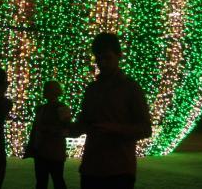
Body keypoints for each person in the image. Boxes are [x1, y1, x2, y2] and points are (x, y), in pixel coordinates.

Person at [72, 32, 152, 189]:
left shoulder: (131, 88)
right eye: (99, 59)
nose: (102, 63)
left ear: (119, 56)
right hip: (91, 167)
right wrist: (65, 126)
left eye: (107, 58)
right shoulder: (92, 89)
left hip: (119, 170)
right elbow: (83, 123)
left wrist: (114, 129)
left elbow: (145, 129)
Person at [26, 81, 71, 189]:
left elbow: (67, 128)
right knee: (47, 180)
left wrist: (49, 130)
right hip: (44, 150)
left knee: (55, 180)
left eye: (46, 89)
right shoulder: (42, 108)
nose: (44, 91)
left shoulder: (60, 108)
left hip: (52, 150)